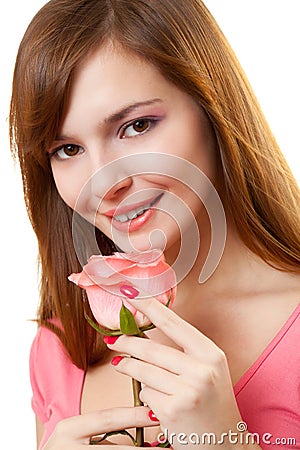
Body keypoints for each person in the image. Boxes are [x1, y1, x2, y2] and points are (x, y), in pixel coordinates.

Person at [10, 0, 300, 449]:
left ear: (212, 107)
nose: (103, 184)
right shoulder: (60, 347)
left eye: (137, 125)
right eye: (66, 150)